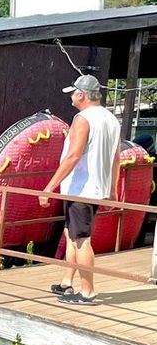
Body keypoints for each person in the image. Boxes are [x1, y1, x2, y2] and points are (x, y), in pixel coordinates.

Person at [39, 74, 121, 306]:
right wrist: (113, 190)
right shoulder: (111, 119)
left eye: (73, 93)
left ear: (82, 95)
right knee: (71, 233)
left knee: (81, 239)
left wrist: (48, 188)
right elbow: (116, 158)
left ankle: (87, 292)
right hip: (96, 187)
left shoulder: (82, 118)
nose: (71, 98)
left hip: (80, 188)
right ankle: (67, 280)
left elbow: (73, 155)